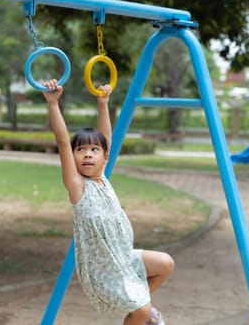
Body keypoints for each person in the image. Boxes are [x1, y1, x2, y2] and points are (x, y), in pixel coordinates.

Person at [42, 79, 175, 325]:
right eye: (81, 150)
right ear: (73, 157)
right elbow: (62, 141)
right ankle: (143, 311)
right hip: (102, 270)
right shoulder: (77, 186)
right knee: (142, 312)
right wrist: (53, 104)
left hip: (123, 258)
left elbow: (106, 139)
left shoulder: (103, 178)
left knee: (165, 263)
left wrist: (103, 104)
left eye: (94, 150)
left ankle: (142, 304)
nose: (88, 154)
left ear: (104, 157)